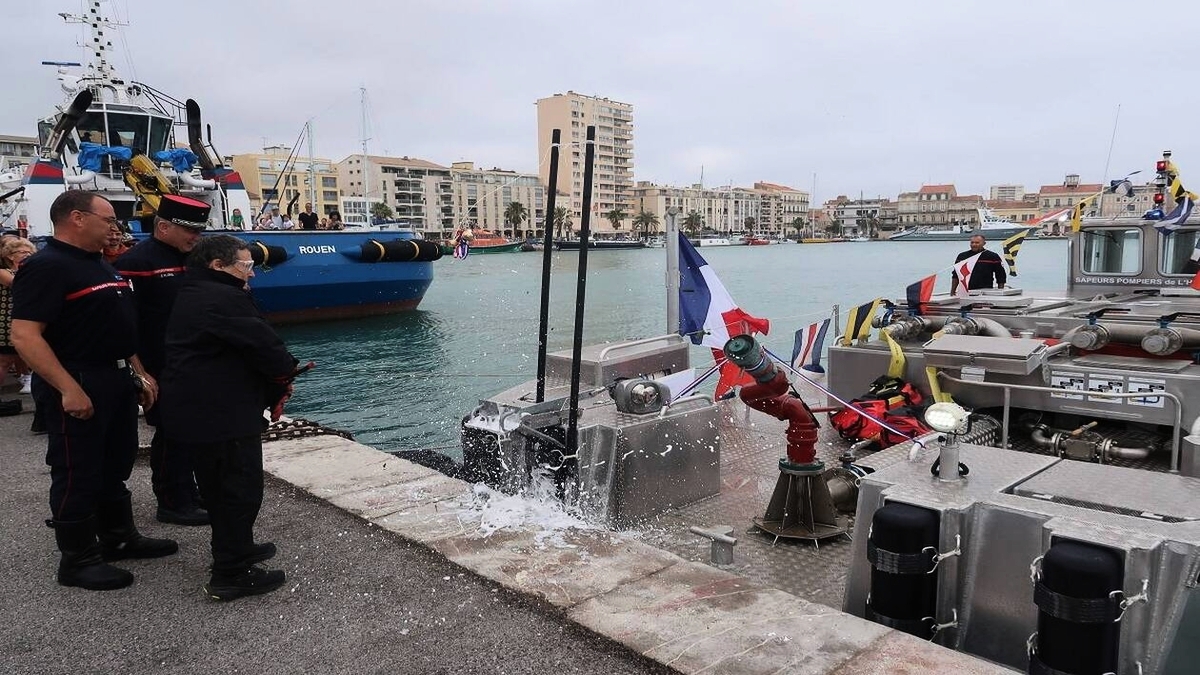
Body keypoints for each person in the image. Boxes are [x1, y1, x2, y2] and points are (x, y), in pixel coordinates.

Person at [11, 191, 177, 591]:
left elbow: (118, 326)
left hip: (115, 378)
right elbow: (25, 335)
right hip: (80, 378)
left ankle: (118, 537)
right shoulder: (47, 266)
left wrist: (138, 373)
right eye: (107, 220)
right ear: (77, 218)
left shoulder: (100, 265)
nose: (114, 228)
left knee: (115, 462)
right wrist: (68, 388)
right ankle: (78, 560)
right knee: (77, 469)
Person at [159, 235, 297, 601]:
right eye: (245, 265)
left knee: (222, 486)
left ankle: (238, 546)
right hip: (220, 411)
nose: (250, 273)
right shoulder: (221, 297)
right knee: (237, 488)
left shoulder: (196, 291)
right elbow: (263, 343)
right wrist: (286, 374)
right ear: (217, 266)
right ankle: (231, 572)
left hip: (205, 406)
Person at [113, 194, 210, 526]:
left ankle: (188, 492)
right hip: (161, 365)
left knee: (192, 432)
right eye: (190, 231)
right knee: (172, 434)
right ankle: (172, 501)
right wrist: (140, 372)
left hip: (193, 364)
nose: (196, 237)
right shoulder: (137, 262)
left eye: (199, 231)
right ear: (164, 226)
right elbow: (124, 323)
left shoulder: (194, 257)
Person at [0, 237, 35, 412]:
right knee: (4, 361)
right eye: (22, 252)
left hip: (27, 318)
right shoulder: (3, 271)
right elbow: (15, 284)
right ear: (10, 256)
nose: (27, 255)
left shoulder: (31, 271)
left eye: (30, 252)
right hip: (6, 320)